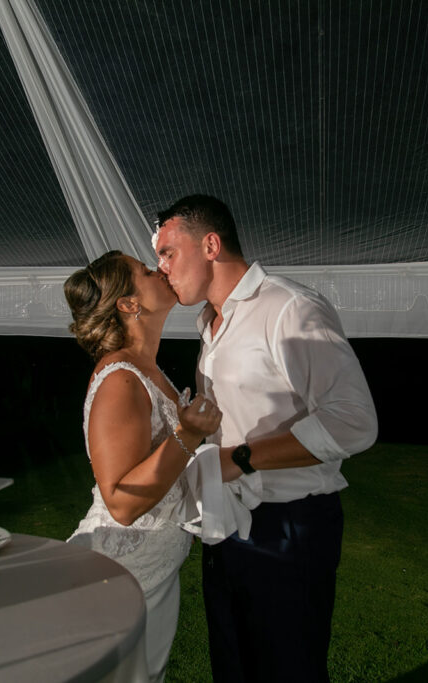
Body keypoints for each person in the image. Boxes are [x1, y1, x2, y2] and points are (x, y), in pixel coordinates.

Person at [154, 194, 378, 682]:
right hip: (226, 529)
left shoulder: (289, 307)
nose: (162, 268)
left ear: (210, 244)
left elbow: (354, 420)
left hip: (289, 530)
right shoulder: (209, 325)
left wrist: (241, 458)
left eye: (169, 253)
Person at [63, 249, 222, 683]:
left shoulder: (148, 369)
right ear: (129, 304)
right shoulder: (119, 378)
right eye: (147, 271)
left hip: (155, 572)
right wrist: (187, 435)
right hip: (116, 576)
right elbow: (120, 502)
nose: (161, 271)